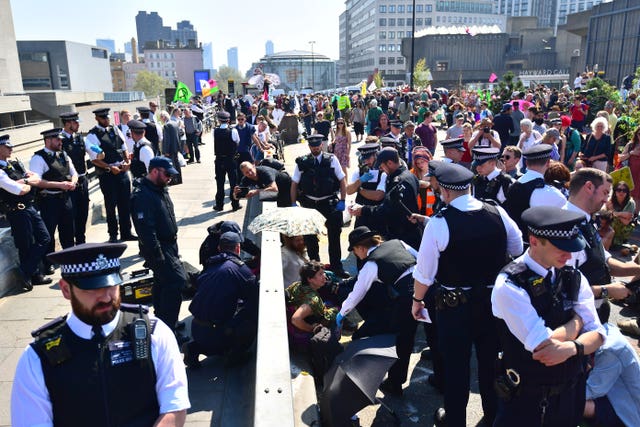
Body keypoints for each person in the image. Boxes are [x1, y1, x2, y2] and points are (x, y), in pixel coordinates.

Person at [10, 242, 190, 426]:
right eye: (92, 288)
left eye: (111, 286)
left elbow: (175, 406)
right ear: (65, 289)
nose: (105, 297)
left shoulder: (153, 332)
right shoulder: (38, 357)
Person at [411, 161, 522, 426]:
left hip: (455, 308)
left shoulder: (439, 223)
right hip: (492, 303)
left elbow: (424, 273)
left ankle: (455, 421)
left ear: (446, 192)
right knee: (489, 363)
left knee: (456, 367)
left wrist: (416, 301)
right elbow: (517, 248)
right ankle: (492, 414)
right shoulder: (497, 212)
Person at [491, 206, 605, 427]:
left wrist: (573, 348)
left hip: (570, 394)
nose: (569, 255)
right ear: (534, 241)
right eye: (561, 247)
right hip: (527, 401)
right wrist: (577, 322)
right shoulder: (511, 285)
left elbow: (599, 334)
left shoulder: (573, 276)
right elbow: (544, 347)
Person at [339, 226, 418, 396]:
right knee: (413, 337)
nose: (355, 255)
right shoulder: (398, 243)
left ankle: (394, 383)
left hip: (407, 299)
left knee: (400, 341)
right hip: (425, 288)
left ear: (361, 247)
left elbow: (356, 294)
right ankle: (440, 379)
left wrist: (341, 314)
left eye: (354, 251)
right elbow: (419, 259)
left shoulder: (371, 264)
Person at [184, 231, 259, 368]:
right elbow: (253, 300)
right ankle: (234, 355)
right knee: (252, 318)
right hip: (217, 333)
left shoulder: (210, 265)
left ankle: (194, 348)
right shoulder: (240, 269)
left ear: (219, 248)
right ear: (238, 248)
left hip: (195, 328)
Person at [130, 157, 188, 333]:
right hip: (159, 248)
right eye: (167, 174)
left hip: (170, 244)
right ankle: (168, 330)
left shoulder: (159, 188)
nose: (170, 177)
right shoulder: (142, 195)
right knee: (177, 282)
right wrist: (158, 256)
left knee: (161, 283)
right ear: (154, 171)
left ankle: (163, 322)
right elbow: (146, 230)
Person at [565, 168, 636, 310]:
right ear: (589, 187)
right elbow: (564, 290)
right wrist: (606, 290)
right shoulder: (565, 229)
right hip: (578, 318)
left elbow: (603, 260)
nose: (606, 200)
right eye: (605, 193)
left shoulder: (587, 220)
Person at [290, 134, 349, 277]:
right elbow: (294, 184)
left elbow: (342, 180)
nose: (315, 148)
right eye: (312, 146)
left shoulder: (331, 159)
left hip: (329, 202)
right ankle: (315, 267)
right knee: (310, 238)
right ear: (309, 146)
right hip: (310, 203)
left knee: (334, 236)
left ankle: (336, 267)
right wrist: (293, 203)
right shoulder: (302, 162)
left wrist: (343, 199)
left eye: (317, 146)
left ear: (321, 145)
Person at [0, 135, 51, 290]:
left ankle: (24, 271)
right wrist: (27, 183)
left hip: (30, 207)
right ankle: (32, 277)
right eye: (7, 146)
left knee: (44, 238)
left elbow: (36, 177)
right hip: (17, 212)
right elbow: (19, 190)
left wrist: (27, 181)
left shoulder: (15, 164)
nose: (11, 148)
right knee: (25, 245)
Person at [350, 147, 422, 250]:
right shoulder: (407, 175)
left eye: (382, 166)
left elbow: (387, 209)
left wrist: (363, 210)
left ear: (389, 163)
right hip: (404, 231)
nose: (380, 169)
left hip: (404, 235)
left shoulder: (399, 181)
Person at [30, 128, 78, 273]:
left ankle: (69, 258)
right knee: (49, 233)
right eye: (57, 139)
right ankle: (48, 262)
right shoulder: (38, 158)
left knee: (68, 231)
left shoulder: (63, 154)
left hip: (65, 198)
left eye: (61, 139)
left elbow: (73, 172)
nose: (60, 141)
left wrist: (73, 182)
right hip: (49, 200)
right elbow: (36, 181)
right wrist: (60, 185)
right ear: (48, 140)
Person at [85, 107, 136, 243]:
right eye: (103, 118)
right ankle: (113, 234)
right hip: (108, 174)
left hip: (122, 171)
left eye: (107, 117)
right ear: (97, 119)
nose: (107, 120)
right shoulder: (92, 135)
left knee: (125, 203)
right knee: (110, 205)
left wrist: (127, 161)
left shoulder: (115, 129)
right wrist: (109, 167)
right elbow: (94, 159)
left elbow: (124, 147)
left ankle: (126, 232)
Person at [584, 310, 640, 427]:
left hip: (630, 414)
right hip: (613, 392)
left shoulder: (609, 349)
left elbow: (591, 391)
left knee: (575, 402)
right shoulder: (607, 329)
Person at [503, 144, 567, 239]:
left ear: (527, 163)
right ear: (548, 162)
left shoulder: (514, 185)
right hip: (537, 246)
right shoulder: (549, 192)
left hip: (516, 242)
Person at [59, 112, 91, 245]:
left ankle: (81, 243)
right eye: (75, 122)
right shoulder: (59, 140)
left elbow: (93, 151)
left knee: (82, 214)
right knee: (69, 217)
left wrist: (100, 153)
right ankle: (69, 248)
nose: (78, 125)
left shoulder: (79, 138)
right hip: (69, 184)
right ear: (67, 124)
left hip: (82, 180)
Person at [286, 261, 338, 338]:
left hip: (292, 322)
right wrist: (312, 328)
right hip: (304, 331)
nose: (325, 276)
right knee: (336, 311)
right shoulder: (313, 300)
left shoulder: (297, 285)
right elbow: (296, 319)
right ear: (310, 279)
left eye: (323, 273)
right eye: (320, 274)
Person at [347, 142, 387, 231]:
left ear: (376, 156)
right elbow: (349, 191)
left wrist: (359, 189)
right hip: (361, 215)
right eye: (364, 159)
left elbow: (378, 196)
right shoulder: (359, 171)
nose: (366, 162)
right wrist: (360, 180)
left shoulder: (384, 172)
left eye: (369, 158)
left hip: (376, 214)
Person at [213, 111, 241, 211]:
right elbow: (237, 142)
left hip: (219, 159)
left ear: (219, 120)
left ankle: (219, 205)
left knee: (219, 183)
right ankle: (235, 204)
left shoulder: (215, 131)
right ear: (228, 120)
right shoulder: (233, 131)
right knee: (234, 182)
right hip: (231, 159)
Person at [605, 181, 636, 246]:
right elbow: (607, 216)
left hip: (624, 229)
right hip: (611, 226)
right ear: (615, 191)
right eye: (619, 190)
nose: (621, 192)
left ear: (627, 192)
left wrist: (615, 213)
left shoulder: (631, 203)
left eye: (624, 190)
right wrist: (622, 214)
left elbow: (626, 222)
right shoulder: (610, 201)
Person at [618, 126, 640, 212]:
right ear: (636, 134)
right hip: (630, 174)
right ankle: (624, 215)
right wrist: (631, 153)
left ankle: (634, 216)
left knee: (638, 197)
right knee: (626, 194)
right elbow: (619, 158)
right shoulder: (631, 145)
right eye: (639, 134)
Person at [159, 111, 183, 185]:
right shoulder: (174, 123)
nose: (160, 119)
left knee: (171, 165)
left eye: (161, 117)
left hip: (170, 148)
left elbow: (166, 139)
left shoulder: (166, 125)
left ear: (164, 117)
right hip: (176, 147)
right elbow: (179, 135)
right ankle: (179, 179)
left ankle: (174, 180)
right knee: (177, 163)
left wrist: (165, 150)